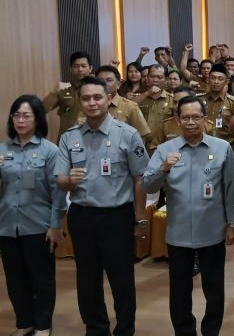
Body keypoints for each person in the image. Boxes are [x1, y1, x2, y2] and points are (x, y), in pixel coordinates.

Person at [54, 76, 150, 336]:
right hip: (82, 217)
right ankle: (96, 329)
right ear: (80, 101)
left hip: (117, 217)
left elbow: (140, 177)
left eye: (97, 97)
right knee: (87, 280)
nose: (92, 103)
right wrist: (67, 180)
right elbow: (60, 181)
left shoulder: (127, 134)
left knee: (122, 280)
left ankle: (125, 330)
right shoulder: (69, 137)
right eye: (86, 98)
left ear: (109, 99)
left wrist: (140, 218)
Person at [142, 96, 234, 336]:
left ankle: (211, 330)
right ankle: (184, 331)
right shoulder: (165, 150)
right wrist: (164, 168)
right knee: (180, 289)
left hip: (213, 230)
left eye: (196, 117)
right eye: (185, 117)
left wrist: (232, 223)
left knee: (214, 287)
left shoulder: (221, 148)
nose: (191, 122)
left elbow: (230, 188)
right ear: (177, 120)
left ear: (206, 120)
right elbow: (148, 186)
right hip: (179, 233)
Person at [0, 95, 67, 336]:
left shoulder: (50, 151)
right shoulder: (3, 150)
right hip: (7, 226)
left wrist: (55, 224)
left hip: (39, 225)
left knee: (42, 279)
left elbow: (58, 192)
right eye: (16, 115)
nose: (20, 120)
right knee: (15, 279)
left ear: (37, 119)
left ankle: (43, 324)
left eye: (26, 115)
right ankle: (24, 322)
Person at [43, 51, 93, 136]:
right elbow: (42, 109)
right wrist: (54, 92)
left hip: (91, 139)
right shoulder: (63, 88)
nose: (80, 69)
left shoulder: (97, 88)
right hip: (67, 140)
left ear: (90, 68)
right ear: (70, 69)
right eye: (76, 66)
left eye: (83, 66)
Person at [95, 65, 151, 139]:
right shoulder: (90, 105)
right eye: (101, 81)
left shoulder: (130, 107)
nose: (104, 84)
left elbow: (142, 135)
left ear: (118, 85)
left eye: (109, 80)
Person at [200, 64, 234, 145]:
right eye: (213, 78)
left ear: (227, 81)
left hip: (226, 146)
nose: (216, 82)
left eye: (220, 79)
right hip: (202, 145)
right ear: (208, 79)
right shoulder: (199, 100)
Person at [134, 64, 174, 141]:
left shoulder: (172, 100)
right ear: (147, 78)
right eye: (152, 76)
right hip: (141, 144)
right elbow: (129, 106)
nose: (155, 80)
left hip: (162, 144)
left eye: (159, 77)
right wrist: (147, 93)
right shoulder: (140, 97)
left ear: (166, 79)